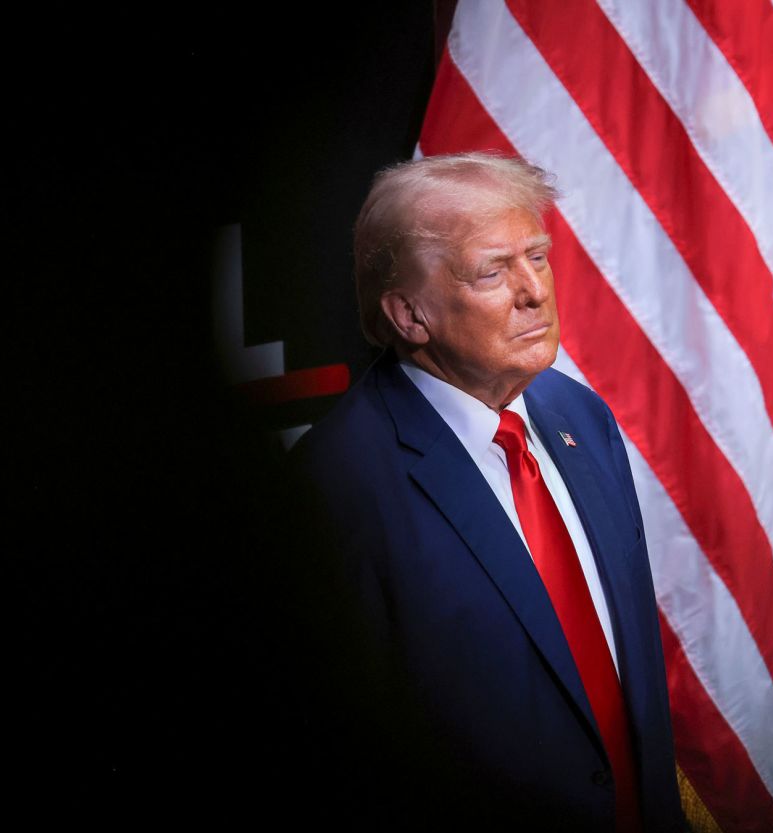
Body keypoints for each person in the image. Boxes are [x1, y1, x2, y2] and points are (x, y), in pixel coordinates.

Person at [289, 152, 685, 832]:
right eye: (494, 271)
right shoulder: (338, 482)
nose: (535, 290)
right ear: (410, 315)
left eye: (538, 255)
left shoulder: (581, 417)